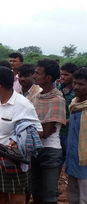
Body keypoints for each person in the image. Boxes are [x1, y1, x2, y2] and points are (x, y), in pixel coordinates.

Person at [0, 66, 43, 204]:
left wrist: (17, 141)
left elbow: (38, 131)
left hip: (13, 159)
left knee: (17, 199)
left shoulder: (23, 105)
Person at [31, 59, 66, 204]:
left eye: (37, 73)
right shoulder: (36, 97)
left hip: (50, 150)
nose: (34, 76)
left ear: (48, 78)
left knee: (50, 194)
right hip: (35, 148)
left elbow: (46, 131)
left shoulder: (57, 100)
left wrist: (28, 131)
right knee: (36, 191)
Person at [65, 68, 87, 204]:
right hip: (73, 158)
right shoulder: (74, 104)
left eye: (81, 84)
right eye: (75, 83)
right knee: (73, 196)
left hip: (85, 162)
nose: (76, 87)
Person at [58, 63, 78, 170]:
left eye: (66, 75)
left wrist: (66, 121)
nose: (62, 77)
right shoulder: (59, 88)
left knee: (71, 160)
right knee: (57, 161)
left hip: (70, 131)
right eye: (62, 74)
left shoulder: (77, 92)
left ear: (74, 75)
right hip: (58, 130)